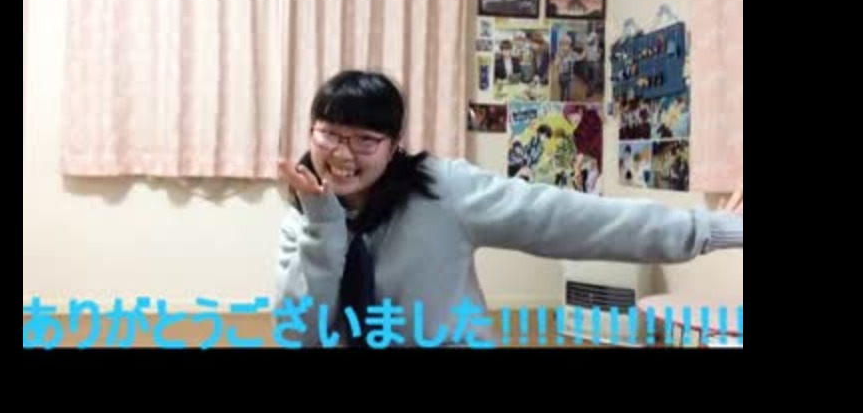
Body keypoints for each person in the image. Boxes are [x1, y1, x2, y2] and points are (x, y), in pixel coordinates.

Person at [274, 70, 743, 348]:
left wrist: (712, 230)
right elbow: (299, 334)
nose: (342, 152)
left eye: (365, 139)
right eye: (329, 133)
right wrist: (323, 225)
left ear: (395, 145)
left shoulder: (442, 191)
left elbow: (572, 219)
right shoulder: (305, 214)